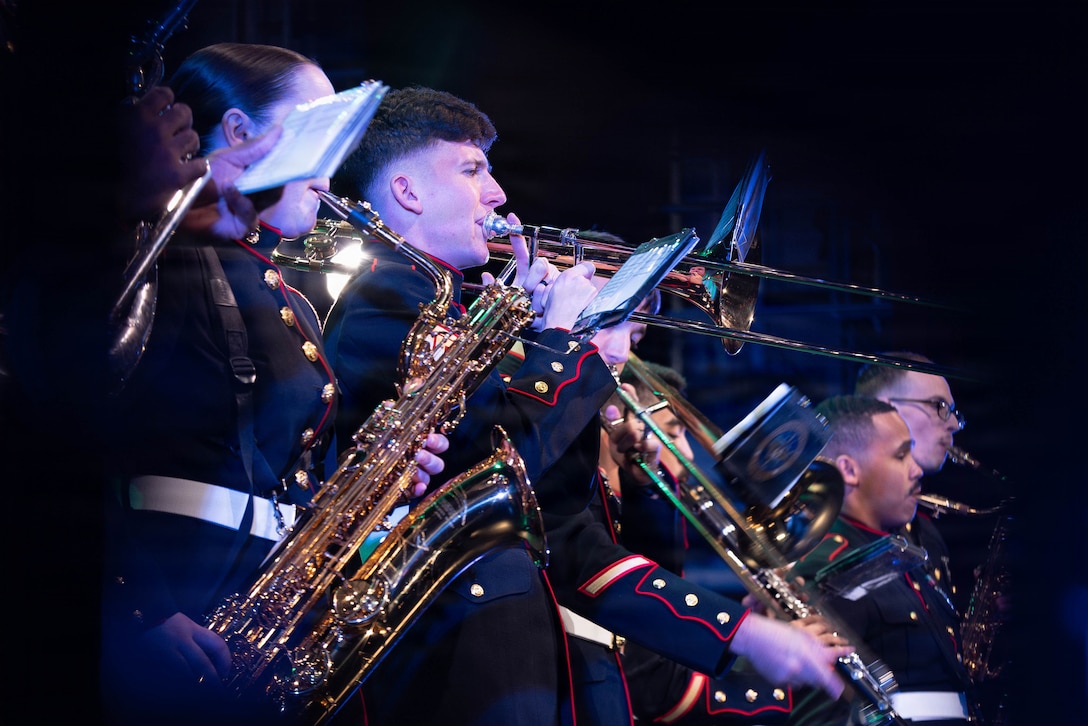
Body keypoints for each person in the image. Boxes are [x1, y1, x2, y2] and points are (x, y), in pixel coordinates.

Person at [322, 86, 852, 726]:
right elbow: (503, 467)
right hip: (457, 661)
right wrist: (561, 342)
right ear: (407, 192)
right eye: (471, 170)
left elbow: (556, 511)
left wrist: (739, 633)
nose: (498, 194)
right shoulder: (385, 297)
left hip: (510, 654)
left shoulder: (443, 306)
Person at [43, 43, 451, 725]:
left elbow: (270, 472)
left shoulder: (282, 291)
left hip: (255, 625)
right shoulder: (165, 255)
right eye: (319, 127)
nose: (334, 165)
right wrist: (135, 602)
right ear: (237, 131)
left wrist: (378, 494)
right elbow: (60, 426)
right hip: (181, 618)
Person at [784, 394, 974, 725]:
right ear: (848, 470)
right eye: (901, 455)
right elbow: (817, 715)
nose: (917, 469)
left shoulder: (904, 547)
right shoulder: (831, 566)